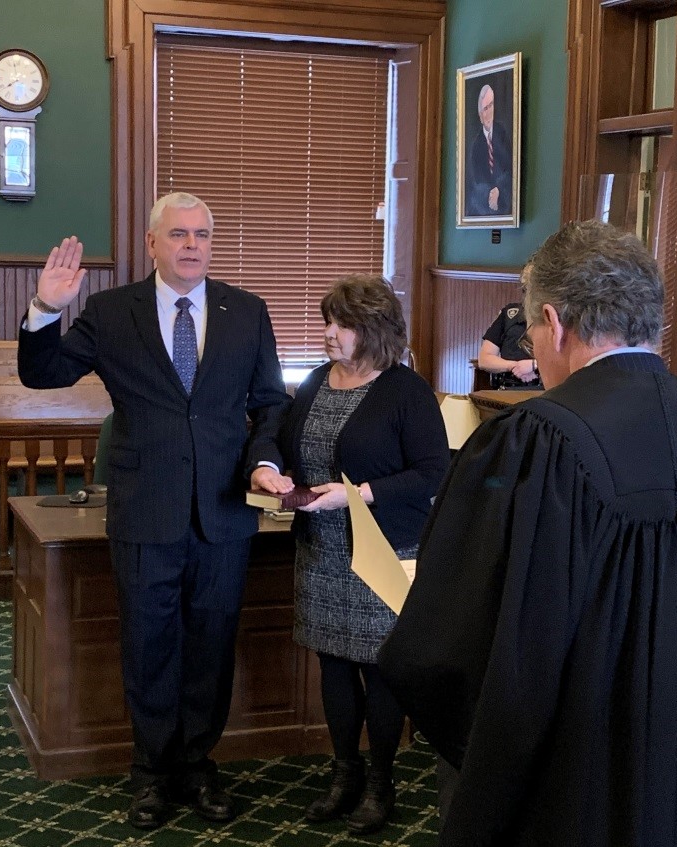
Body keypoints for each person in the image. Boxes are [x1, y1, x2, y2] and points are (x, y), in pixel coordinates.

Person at [379, 220, 677, 846]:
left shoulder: (535, 441)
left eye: (534, 334)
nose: (536, 349)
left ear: (554, 321)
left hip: (564, 794)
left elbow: (456, 642)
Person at [17, 192, 291, 830]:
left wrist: (266, 462)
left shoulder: (247, 312)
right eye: (178, 234)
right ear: (151, 243)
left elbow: (271, 403)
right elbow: (43, 374)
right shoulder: (114, 313)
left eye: (202, 234)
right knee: (148, 647)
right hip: (146, 512)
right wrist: (46, 309)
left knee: (211, 646)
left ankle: (198, 767)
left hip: (224, 514)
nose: (192, 245)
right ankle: (150, 775)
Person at [251, 274, 450, 835]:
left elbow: (434, 472)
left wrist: (359, 493)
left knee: (378, 671)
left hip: (383, 551)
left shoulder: (406, 390)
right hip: (322, 550)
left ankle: (382, 783)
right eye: (327, 322)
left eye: (342, 325)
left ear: (375, 331)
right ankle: (345, 775)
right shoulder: (315, 383)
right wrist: (275, 471)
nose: (329, 334)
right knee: (333, 667)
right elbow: (285, 443)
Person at [477, 266, 541, 389]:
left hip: (543, 390)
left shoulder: (557, 319)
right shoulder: (510, 314)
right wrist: (515, 366)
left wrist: (534, 365)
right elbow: (484, 359)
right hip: (507, 387)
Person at [465, 83, 512, 217]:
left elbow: (511, 170)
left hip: (504, 196)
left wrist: (499, 189)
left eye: (491, 105)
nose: (489, 112)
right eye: (485, 108)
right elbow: (477, 182)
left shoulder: (503, 133)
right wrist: (491, 194)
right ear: (480, 115)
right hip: (485, 204)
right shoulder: (476, 146)